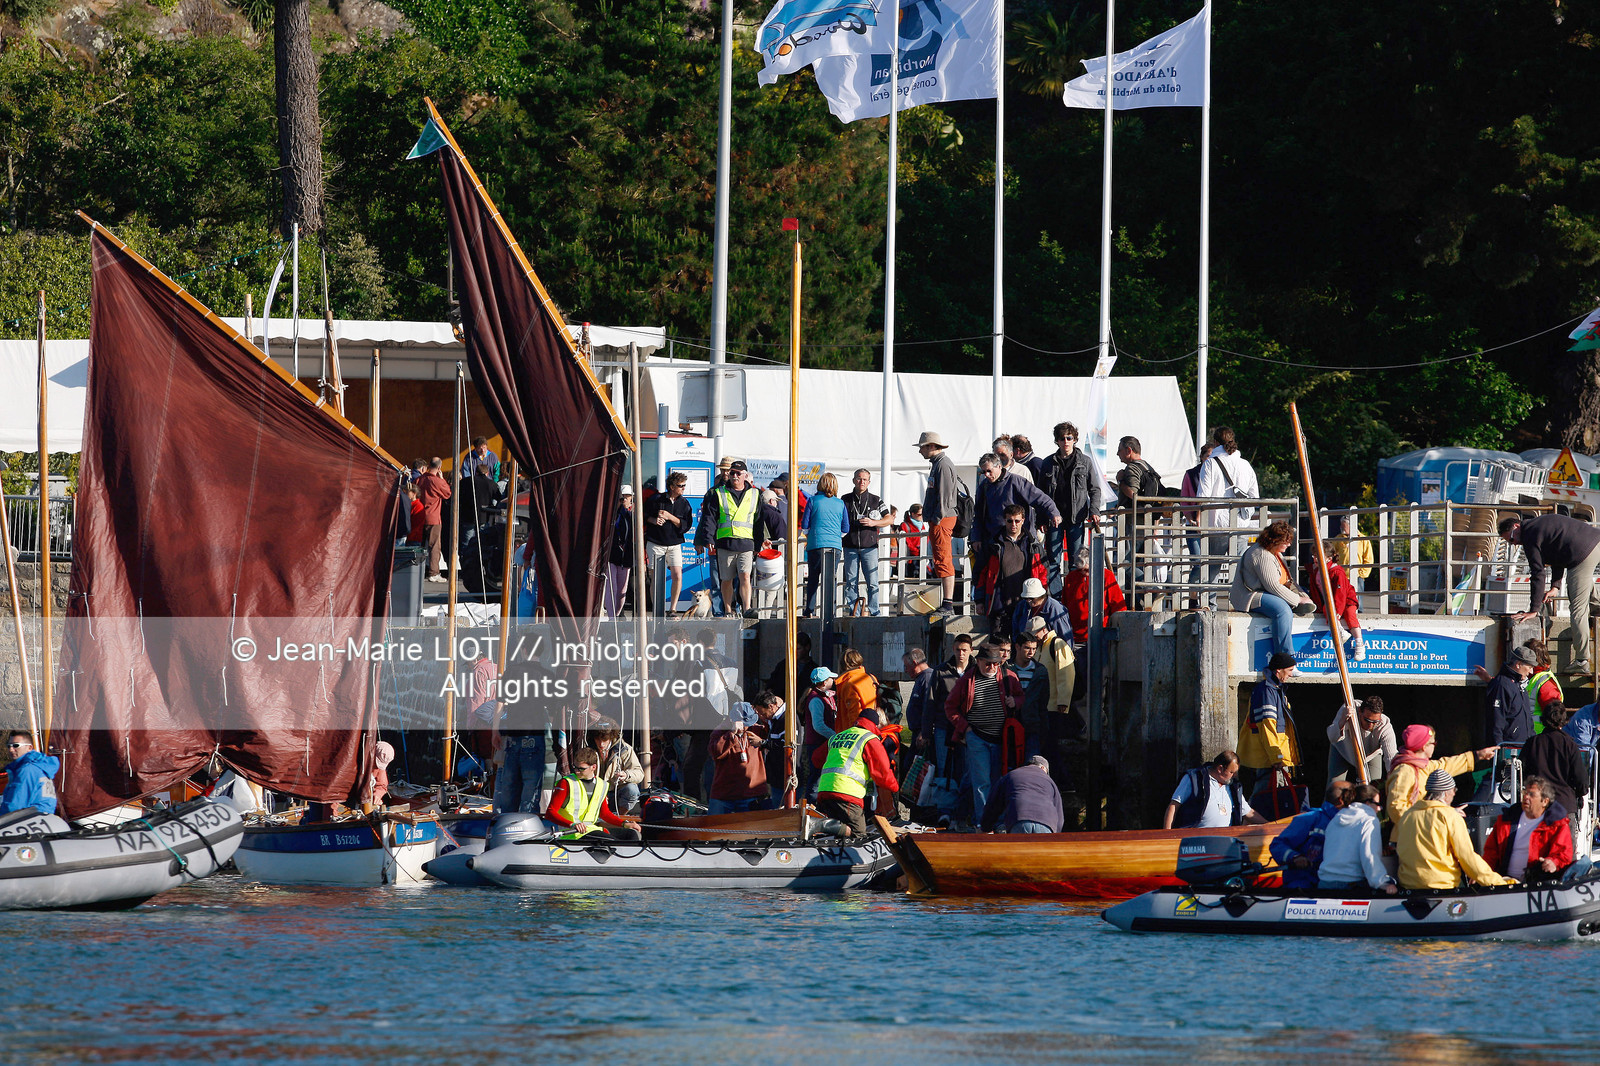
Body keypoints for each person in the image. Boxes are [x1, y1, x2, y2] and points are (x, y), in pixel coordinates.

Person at [1502, 512, 1600, 673]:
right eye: (1510, 543)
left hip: (1582, 554)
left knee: (1578, 610)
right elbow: (1558, 556)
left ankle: (1582, 661)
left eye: (1512, 539)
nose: (1515, 543)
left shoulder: (1529, 536)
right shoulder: (1540, 525)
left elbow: (1537, 574)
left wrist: (1534, 610)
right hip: (1595, 541)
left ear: (1516, 526)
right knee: (1587, 593)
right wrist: (1555, 586)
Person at [1395, 768, 1517, 889]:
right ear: (1446, 793)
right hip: (1441, 885)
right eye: (1454, 790)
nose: (1454, 794)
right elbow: (1467, 857)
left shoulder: (1408, 815)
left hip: (1408, 885)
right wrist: (1497, 883)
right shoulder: (1450, 817)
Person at [944, 642, 1024, 815]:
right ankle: (983, 822)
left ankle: (997, 820)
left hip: (1001, 738)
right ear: (979, 661)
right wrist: (965, 728)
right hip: (977, 737)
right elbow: (950, 707)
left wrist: (1015, 702)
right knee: (981, 782)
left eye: (995, 663)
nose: (992, 667)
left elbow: (1022, 697)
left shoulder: (1008, 676)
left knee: (998, 780)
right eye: (988, 663)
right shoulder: (967, 679)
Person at [1229, 520, 1313, 658]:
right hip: (1250, 595)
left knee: (1295, 599)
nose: (1289, 544)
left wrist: (1304, 596)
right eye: (1285, 541)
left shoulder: (1275, 553)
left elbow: (1287, 580)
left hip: (1265, 592)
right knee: (1282, 610)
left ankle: (1296, 605)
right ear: (1274, 540)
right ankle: (1286, 658)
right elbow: (1273, 586)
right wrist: (1298, 599)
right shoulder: (1261, 554)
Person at [811, 708, 899, 839]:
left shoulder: (837, 736)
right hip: (847, 795)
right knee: (858, 835)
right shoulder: (869, 739)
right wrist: (896, 788)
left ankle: (827, 829)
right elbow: (882, 774)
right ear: (875, 725)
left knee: (836, 834)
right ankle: (822, 825)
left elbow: (816, 759)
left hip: (824, 791)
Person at [1385, 723, 1497, 826]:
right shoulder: (1404, 771)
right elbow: (1396, 807)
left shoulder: (1424, 766)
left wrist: (1478, 755)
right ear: (1424, 747)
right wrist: (1430, 819)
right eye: (1433, 743)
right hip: (1409, 836)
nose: (1435, 745)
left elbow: (1447, 765)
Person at [1194, 426, 1260, 597]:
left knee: (1212, 568)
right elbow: (1255, 496)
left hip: (1217, 524)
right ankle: (1241, 602)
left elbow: (1203, 496)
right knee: (1240, 567)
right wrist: (1245, 515)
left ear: (1215, 442)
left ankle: (1209, 604)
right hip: (1241, 525)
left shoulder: (1209, 464)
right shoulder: (1245, 464)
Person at [694, 458, 764, 618]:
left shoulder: (755, 494)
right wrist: (708, 539)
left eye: (738, 473)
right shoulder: (718, 493)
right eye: (732, 472)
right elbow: (709, 518)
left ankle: (746, 609)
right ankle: (727, 609)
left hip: (746, 544)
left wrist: (759, 544)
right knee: (726, 580)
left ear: (745, 475)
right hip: (725, 543)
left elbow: (759, 520)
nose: (734, 476)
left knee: (745, 576)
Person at [973, 452, 1061, 570]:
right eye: (983, 472)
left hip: (1019, 540)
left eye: (989, 471)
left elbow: (1040, 498)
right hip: (994, 542)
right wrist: (976, 537)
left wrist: (1053, 512)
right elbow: (978, 515)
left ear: (999, 466)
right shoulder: (983, 486)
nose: (986, 475)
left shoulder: (1016, 481)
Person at [1483, 776, 1574, 882]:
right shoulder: (1506, 820)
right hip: (1503, 881)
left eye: (1531, 795)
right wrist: (1482, 873)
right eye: (1524, 793)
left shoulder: (1556, 824)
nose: (1526, 797)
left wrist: (1553, 862)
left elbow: (1563, 853)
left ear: (1544, 801)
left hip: (1536, 883)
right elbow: (1491, 853)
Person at [1269, 780, 1354, 890]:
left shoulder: (1354, 824)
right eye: (1352, 797)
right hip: (1304, 885)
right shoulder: (1310, 819)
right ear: (1341, 800)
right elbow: (1277, 845)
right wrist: (1295, 857)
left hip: (1336, 885)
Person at [1317, 784, 1399, 893]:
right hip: (1351, 885)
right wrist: (1381, 882)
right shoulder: (1369, 819)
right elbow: (1370, 855)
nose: (1379, 809)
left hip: (1325, 883)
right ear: (1367, 803)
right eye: (1378, 804)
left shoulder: (1336, 818)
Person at [1239, 652, 1301, 797]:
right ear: (1279, 670)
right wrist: (1276, 757)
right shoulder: (1268, 691)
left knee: (1270, 797)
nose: (1291, 675)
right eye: (1290, 670)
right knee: (1263, 797)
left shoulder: (1275, 690)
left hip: (1272, 756)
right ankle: (1252, 820)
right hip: (1269, 758)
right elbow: (1267, 726)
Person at [544, 747, 640, 840]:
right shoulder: (565, 783)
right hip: (573, 833)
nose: (577, 771)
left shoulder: (602, 785)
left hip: (592, 830)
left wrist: (624, 823)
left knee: (632, 835)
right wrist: (572, 824)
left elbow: (605, 814)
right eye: (575, 767)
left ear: (593, 767)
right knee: (612, 842)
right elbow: (550, 812)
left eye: (581, 769)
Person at [917, 431, 962, 621]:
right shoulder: (940, 464)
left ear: (931, 446)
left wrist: (936, 518)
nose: (920, 451)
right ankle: (947, 603)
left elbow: (944, 497)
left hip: (942, 519)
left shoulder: (942, 465)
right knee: (941, 559)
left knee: (943, 559)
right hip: (940, 518)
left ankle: (948, 603)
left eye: (922, 447)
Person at [978, 505, 1045, 628]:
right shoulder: (993, 544)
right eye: (1009, 521)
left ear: (1023, 521)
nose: (1013, 524)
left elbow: (1043, 573)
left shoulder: (1033, 545)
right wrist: (979, 601)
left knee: (1022, 644)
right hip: (998, 604)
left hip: (1025, 604)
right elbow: (980, 573)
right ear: (1004, 520)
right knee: (997, 645)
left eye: (1017, 521)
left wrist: (1041, 598)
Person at [1518, 701, 1589, 818]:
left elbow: (1521, 773)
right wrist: (1579, 793)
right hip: (1564, 806)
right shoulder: (1570, 745)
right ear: (1563, 720)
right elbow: (1581, 780)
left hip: (1538, 806)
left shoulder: (1532, 743)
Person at [1163, 750, 1266, 829]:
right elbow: (1174, 806)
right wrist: (1168, 836)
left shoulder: (1234, 787)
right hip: (1195, 840)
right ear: (1220, 768)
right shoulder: (1194, 778)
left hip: (1224, 841)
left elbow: (1248, 813)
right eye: (1231, 772)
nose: (1235, 776)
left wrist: (1270, 825)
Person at [841, 469, 891, 616]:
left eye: (864, 479)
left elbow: (889, 519)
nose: (861, 482)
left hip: (870, 547)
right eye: (859, 479)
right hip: (850, 546)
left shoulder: (876, 500)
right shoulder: (845, 499)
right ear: (853, 480)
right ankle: (854, 612)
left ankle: (875, 612)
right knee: (851, 582)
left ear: (869, 482)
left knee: (873, 581)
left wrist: (873, 522)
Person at [643, 470, 694, 613]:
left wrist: (670, 517)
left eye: (684, 485)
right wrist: (653, 519)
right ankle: (656, 608)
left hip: (674, 544)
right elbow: (644, 515)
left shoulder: (684, 503)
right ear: (672, 486)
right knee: (656, 578)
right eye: (680, 486)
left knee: (677, 575)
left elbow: (686, 525)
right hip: (655, 543)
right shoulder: (655, 499)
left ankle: (673, 608)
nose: (683, 488)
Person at [801, 471, 849, 617]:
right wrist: (835, 536)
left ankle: (809, 610)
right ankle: (830, 611)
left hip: (816, 545)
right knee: (830, 579)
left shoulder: (813, 501)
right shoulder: (840, 503)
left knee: (813, 579)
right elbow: (845, 528)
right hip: (834, 546)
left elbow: (805, 526)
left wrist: (812, 534)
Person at [1308, 539, 1365, 661]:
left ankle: (1359, 643)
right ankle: (1340, 631)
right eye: (1314, 556)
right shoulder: (1316, 571)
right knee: (1327, 608)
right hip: (1331, 601)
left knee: (1350, 616)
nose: (1315, 559)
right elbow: (1315, 591)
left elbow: (1341, 593)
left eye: (1319, 556)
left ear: (1329, 558)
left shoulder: (1337, 571)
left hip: (1347, 600)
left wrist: (1337, 613)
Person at [708, 713, 773, 815]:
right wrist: (731, 734)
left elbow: (774, 729)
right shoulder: (720, 731)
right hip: (724, 794)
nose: (747, 726)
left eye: (750, 721)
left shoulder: (756, 729)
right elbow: (716, 752)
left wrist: (761, 714)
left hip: (751, 793)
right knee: (713, 829)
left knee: (753, 830)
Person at [980, 755, 1064, 833]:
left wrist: (986, 828)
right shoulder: (1050, 782)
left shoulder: (1011, 775)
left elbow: (993, 805)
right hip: (1046, 824)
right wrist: (1055, 835)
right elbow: (1059, 818)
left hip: (1018, 821)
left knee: (1019, 849)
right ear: (1042, 768)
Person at [1061, 548, 1127, 645]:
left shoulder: (1106, 576)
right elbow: (1065, 604)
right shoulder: (1070, 578)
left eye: (1086, 570)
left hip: (1100, 634)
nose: (1084, 573)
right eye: (1080, 570)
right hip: (1075, 636)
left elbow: (1117, 605)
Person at [1326, 696, 1397, 784]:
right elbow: (1331, 737)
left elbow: (1391, 756)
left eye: (1375, 722)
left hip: (1370, 754)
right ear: (1360, 711)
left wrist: (1393, 776)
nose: (1370, 725)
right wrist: (1342, 721)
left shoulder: (1385, 725)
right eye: (1367, 720)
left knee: (1374, 787)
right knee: (1334, 788)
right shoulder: (1349, 708)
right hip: (1343, 749)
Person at [1485, 643, 1538, 745]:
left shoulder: (1520, 685)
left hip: (1523, 746)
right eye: (1530, 667)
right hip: (1509, 748)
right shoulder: (1503, 685)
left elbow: (1528, 720)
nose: (1531, 672)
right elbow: (1496, 721)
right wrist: (1498, 750)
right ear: (1518, 664)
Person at [590, 718, 644, 813]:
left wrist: (626, 775)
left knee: (632, 790)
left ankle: (620, 816)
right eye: (597, 739)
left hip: (616, 793)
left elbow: (639, 773)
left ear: (611, 736)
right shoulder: (588, 750)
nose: (601, 743)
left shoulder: (625, 749)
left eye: (604, 739)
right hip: (596, 793)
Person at [801, 666, 839, 792]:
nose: (833, 680)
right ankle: (811, 804)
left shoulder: (824, 696)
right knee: (816, 778)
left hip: (822, 743)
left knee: (820, 776)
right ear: (824, 682)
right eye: (831, 678)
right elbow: (818, 725)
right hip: (817, 744)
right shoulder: (816, 700)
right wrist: (835, 736)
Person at [0, 732, 57, 815]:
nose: (11, 749)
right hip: (44, 818)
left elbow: (15, 805)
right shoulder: (41, 766)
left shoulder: (27, 770)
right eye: (9, 746)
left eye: (16, 745)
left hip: (29, 818)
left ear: (29, 747)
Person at [416, 457, 452, 582]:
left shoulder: (419, 479)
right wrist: (442, 479)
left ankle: (417, 570)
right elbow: (447, 493)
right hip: (433, 517)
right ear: (439, 467)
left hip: (419, 516)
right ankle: (433, 572)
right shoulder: (437, 481)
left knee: (419, 545)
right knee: (434, 546)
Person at [1012, 577, 1072, 645]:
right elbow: (1015, 630)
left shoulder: (1056, 609)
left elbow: (1065, 638)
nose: (1028, 601)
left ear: (1041, 596)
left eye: (1032, 598)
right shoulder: (1022, 606)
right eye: (1026, 598)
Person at [604, 484, 634, 617]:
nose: (625, 501)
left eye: (627, 498)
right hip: (611, 555)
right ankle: (611, 618)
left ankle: (616, 615)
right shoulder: (610, 514)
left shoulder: (630, 515)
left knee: (622, 591)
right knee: (612, 588)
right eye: (622, 499)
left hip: (625, 557)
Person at [899, 504, 927, 579]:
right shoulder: (905, 525)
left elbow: (926, 539)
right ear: (913, 514)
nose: (922, 517)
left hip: (921, 555)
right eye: (919, 514)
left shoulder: (921, 525)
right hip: (910, 558)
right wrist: (917, 551)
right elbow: (907, 541)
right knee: (912, 578)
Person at [366, 741, 394, 808]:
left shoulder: (380, 768)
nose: (376, 766)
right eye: (376, 763)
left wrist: (377, 795)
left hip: (366, 801)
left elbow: (382, 785)